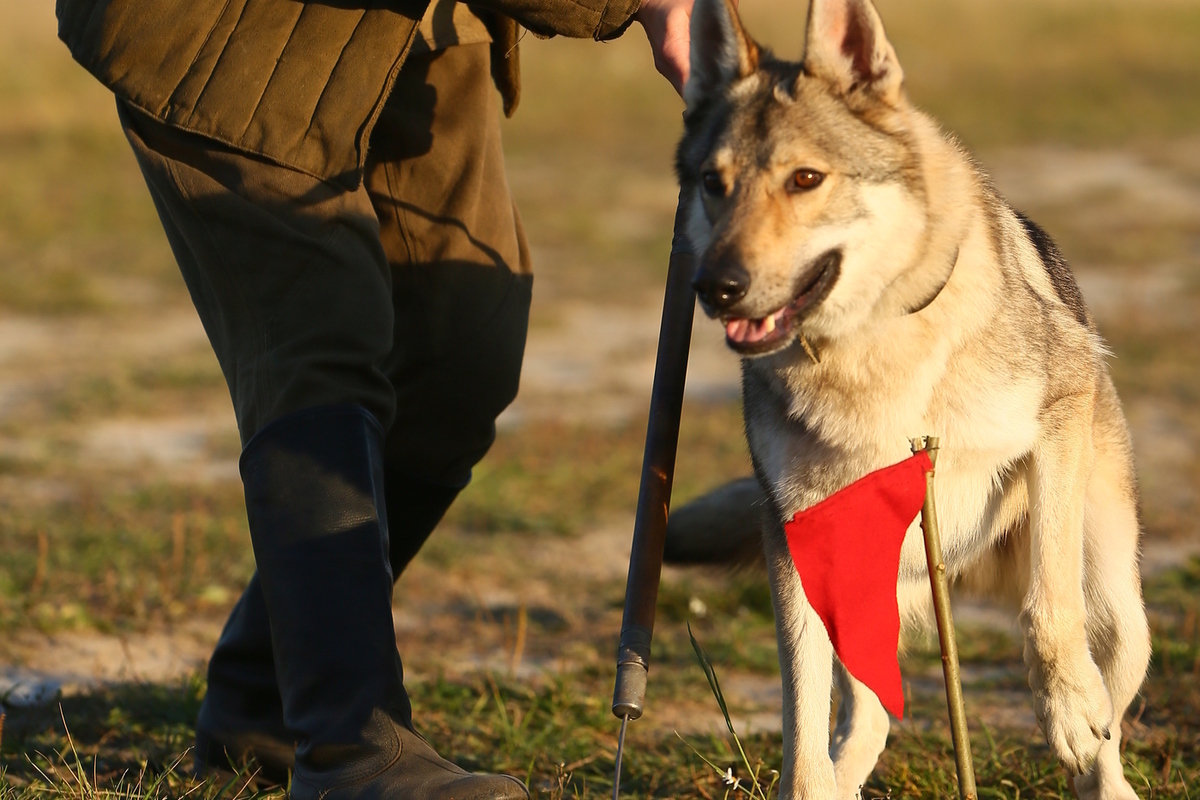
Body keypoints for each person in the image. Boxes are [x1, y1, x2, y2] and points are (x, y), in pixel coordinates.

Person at [55, 0, 694, 796]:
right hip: (234, 30)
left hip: (411, 28)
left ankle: (265, 701)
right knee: (319, 342)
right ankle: (349, 750)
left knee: (460, 359)